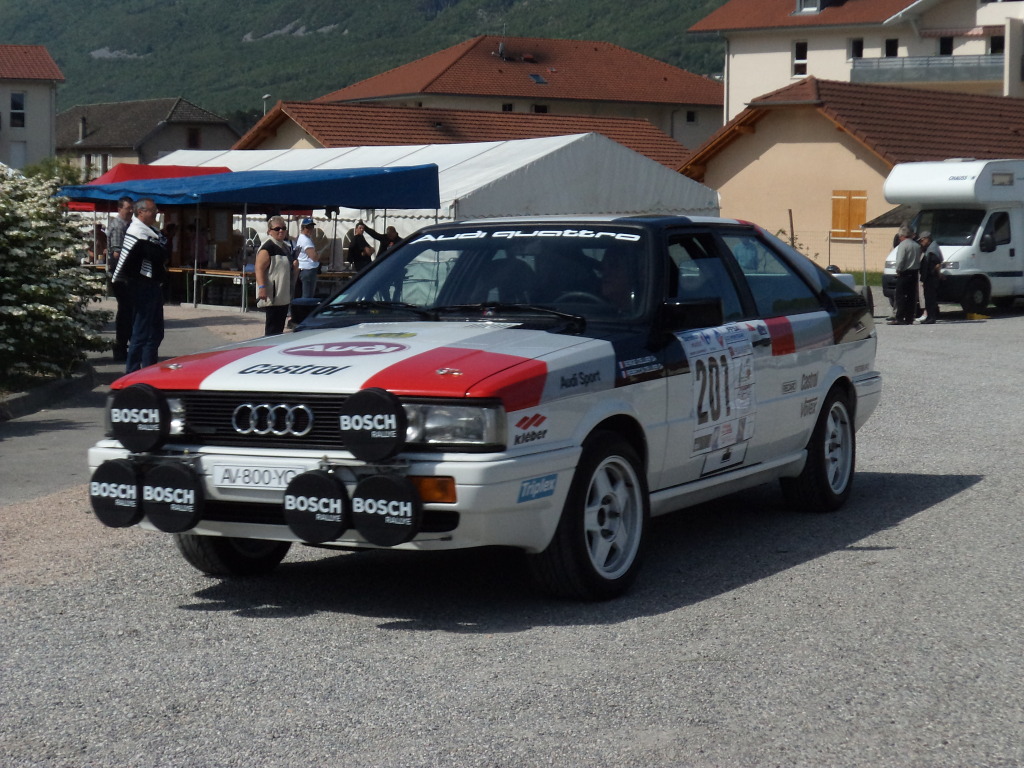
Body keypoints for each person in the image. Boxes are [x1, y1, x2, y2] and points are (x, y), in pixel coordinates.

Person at [111, 199, 168, 372]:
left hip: (152, 285)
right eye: (152, 210)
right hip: (141, 286)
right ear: (141, 212)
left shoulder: (151, 232)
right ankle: (133, 371)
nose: (156, 213)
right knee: (142, 332)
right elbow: (155, 255)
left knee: (155, 332)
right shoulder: (137, 231)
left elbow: (161, 252)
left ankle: (149, 369)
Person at [255, 216, 298, 336]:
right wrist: (262, 287)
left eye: (283, 228)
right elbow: (259, 269)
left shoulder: (285, 247)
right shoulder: (267, 247)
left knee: (278, 328)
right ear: (269, 231)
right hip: (273, 295)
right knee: (272, 328)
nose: (281, 231)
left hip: (283, 295)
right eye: (277, 228)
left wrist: (295, 268)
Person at [106, 196, 135, 361]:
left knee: (127, 311)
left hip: (125, 275)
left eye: (132, 208)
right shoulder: (118, 226)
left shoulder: (127, 225)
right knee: (125, 311)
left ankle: (124, 345)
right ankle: (121, 348)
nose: (130, 211)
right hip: (121, 276)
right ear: (120, 209)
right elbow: (117, 254)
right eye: (128, 208)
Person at [890, 224, 922, 325]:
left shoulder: (903, 245)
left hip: (904, 273)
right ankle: (909, 317)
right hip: (914, 272)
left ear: (902, 236)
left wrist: (898, 270)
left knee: (900, 296)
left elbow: (900, 260)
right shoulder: (917, 246)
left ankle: (899, 318)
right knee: (911, 297)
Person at [918, 230, 943, 324]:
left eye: (922, 240)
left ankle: (931, 318)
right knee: (929, 298)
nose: (921, 242)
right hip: (930, 277)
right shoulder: (932, 247)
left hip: (931, 278)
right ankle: (930, 316)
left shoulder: (932, 250)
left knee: (930, 298)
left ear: (927, 239)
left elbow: (937, 263)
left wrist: (935, 273)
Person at [294, 218, 320, 298]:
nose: (311, 229)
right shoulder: (306, 240)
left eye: (312, 227)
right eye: (308, 227)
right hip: (308, 270)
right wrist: (319, 254)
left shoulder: (301, 238)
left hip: (303, 269)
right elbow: (314, 257)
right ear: (303, 228)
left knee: (304, 294)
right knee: (308, 296)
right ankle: (305, 310)